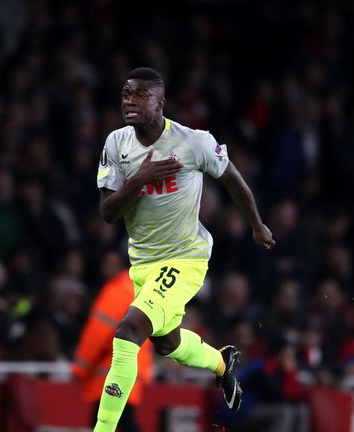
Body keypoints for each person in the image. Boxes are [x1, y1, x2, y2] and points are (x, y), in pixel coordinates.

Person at [93, 67, 275, 431]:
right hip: (143, 263)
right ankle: (222, 363)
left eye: (140, 95)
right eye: (126, 94)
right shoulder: (116, 144)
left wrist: (256, 225)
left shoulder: (193, 142)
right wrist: (140, 179)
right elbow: (107, 212)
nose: (130, 101)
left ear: (161, 103)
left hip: (185, 258)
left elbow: (233, 181)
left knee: (129, 331)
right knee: (167, 344)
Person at [71, 252, 153, 432]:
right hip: (134, 367)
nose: (104, 267)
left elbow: (97, 334)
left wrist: (79, 368)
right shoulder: (138, 288)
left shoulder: (116, 291)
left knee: (110, 421)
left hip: (112, 371)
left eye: (110, 262)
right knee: (118, 419)